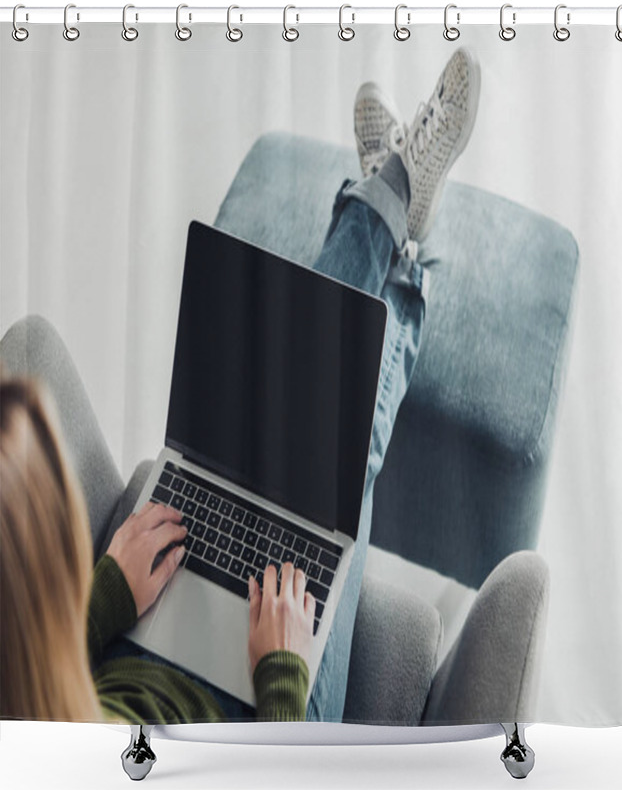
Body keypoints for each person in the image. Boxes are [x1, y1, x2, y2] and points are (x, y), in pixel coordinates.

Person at [0, 48, 480, 725]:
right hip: (260, 723)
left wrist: (104, 595)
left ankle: (390, 213)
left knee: (280, 440)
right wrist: (281, 674)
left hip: (115, 663)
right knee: (330, 479)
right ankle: (390, 204)